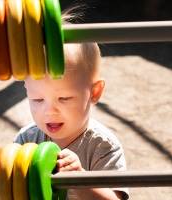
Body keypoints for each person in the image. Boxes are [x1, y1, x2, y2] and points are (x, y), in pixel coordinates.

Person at [13, 11, 129, 200]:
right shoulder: (26, 140)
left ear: (94, 92)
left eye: (64, 98)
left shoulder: (103, 147)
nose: (50, 111)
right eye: (38, 99)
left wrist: (79, 179)